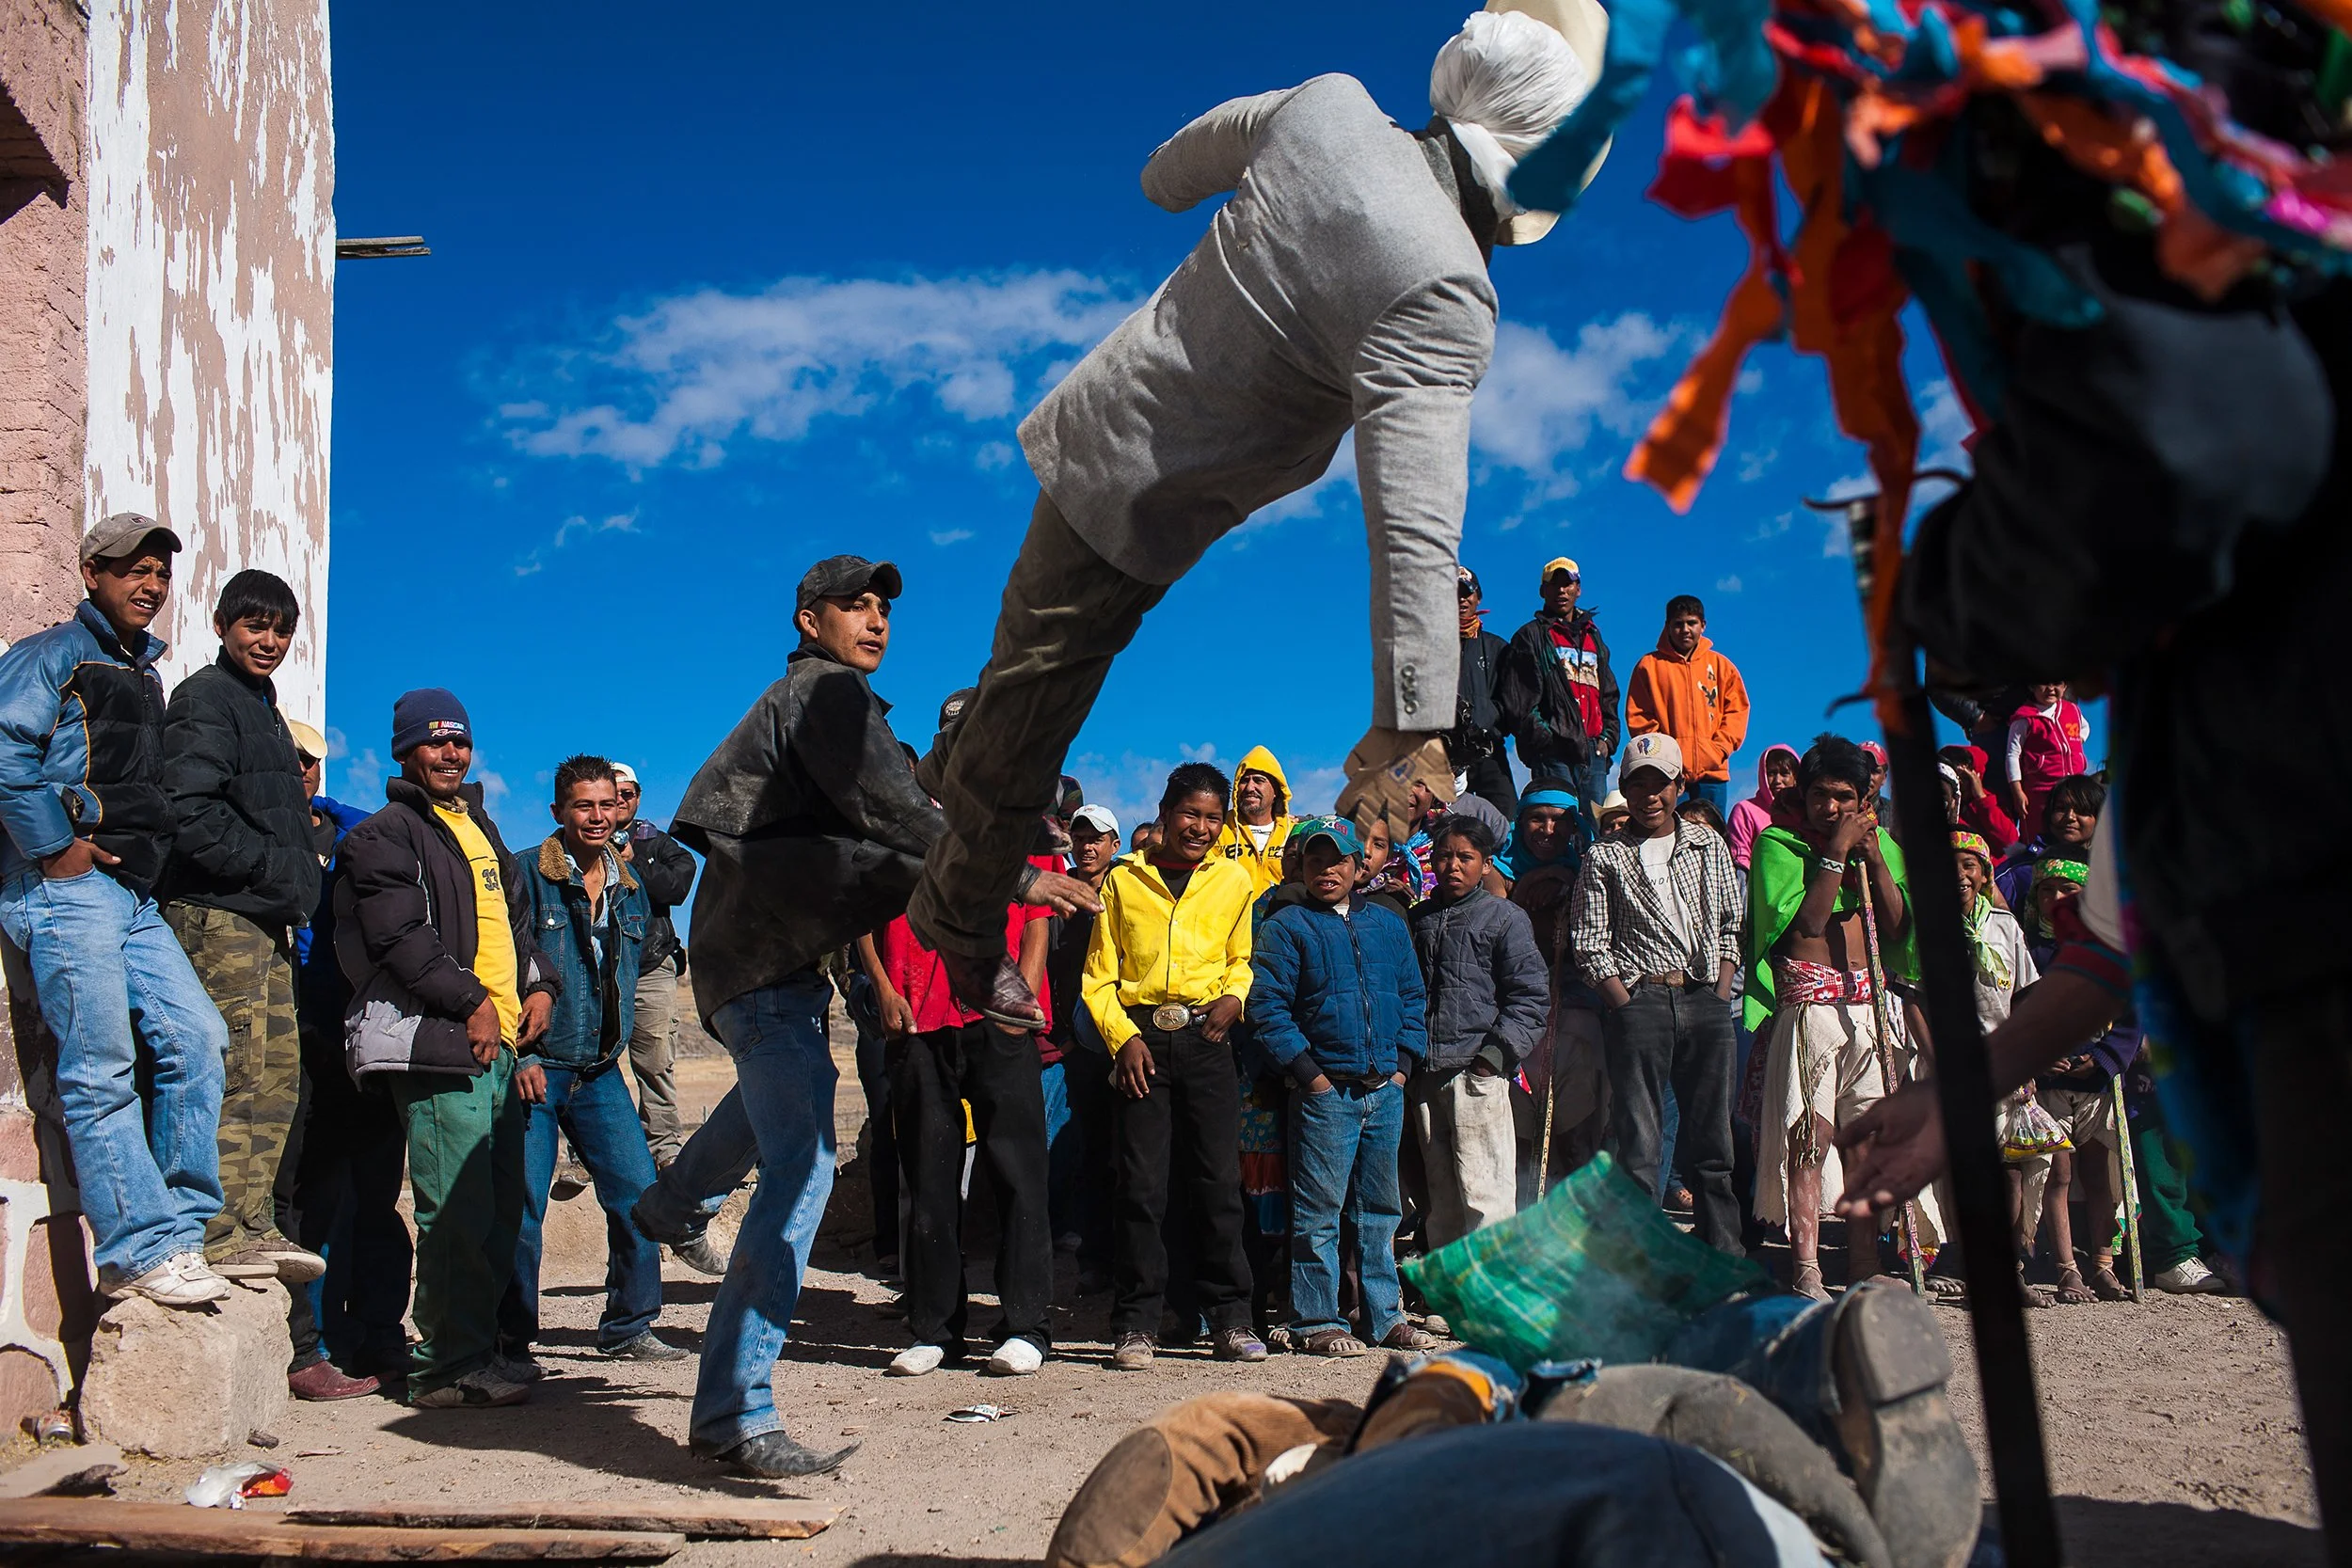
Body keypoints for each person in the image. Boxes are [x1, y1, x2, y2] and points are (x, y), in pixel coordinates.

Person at [903, 7, 1606, 1027]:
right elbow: (1414, 529)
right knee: (1042, 694)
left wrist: (1175, 191)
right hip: (1142, 503)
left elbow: (1178, 164)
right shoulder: (1445, 288)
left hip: (1100, 421)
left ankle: (951, 762)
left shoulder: (1331, 107)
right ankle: (959, 919)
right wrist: (1407, 720)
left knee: (1028, 658)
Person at [0, 515, 229, 1307]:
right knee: (100, 1065)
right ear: (91, 572)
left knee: (199, 1038)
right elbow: (4, 749)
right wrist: (52, 846)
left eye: (160, 572)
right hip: (64, 885)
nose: (151, 584)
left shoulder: (143, 674)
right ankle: (138, 1248)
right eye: (134, 569)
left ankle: (183, 1233)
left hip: (128, 892)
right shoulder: (52, 654)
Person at [334, 689, 556, 1406]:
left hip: (497, 1045)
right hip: (439, 1043)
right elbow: (400, 937)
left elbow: (515, 929)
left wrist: (540, 986)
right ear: (405, 751)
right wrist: (471, 1002)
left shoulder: (481, 829)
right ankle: (441, 1368)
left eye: (458, 740)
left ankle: (477, 1351)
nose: (450, 752)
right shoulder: (385, 835)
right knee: (454, 1213)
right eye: (433, 741)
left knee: (497, 1211)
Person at [152, 567, 327, 1288]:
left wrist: (284, 886)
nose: (269, 641)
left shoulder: (262, 706)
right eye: (256, 625)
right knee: (234, 1072)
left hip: (262, 919)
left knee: (275, 1077)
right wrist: (273, 871)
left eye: (282, 630)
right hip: (219, 915)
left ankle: (251, 1223)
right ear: (222, 624)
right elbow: (188, 810)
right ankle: (215, 1228)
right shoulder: (206, 698)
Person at [499, 756, 680, 1373]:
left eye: (607, 804)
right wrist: (519, 1051)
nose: (598, 816)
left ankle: (629, 1324)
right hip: (537, 1066)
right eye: (584, 805)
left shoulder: (630, 886)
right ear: (558, 812)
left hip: (600, 1071)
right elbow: (499, 962)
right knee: (524, 1206)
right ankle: (509, 1341)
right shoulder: (526, 873)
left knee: (637, 1194)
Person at [1084, 763, 1263, 1371]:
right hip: (1140, 1044)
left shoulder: (1233, 880)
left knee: (1218, 1182)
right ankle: (1137, 1322)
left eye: (1213, 817)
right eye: (1191, 813)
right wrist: (1123, 1040)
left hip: (1207, 1038)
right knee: (1141, 1186)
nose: (1201, 828)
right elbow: (1098, 978)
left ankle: (1232, 1318)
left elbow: (1241, 959)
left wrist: (1235, 998)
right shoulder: (1122, 880)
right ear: (1165, 812)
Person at [1747, 735, 1926, 1300]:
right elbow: (1806, 925)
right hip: (1810, 1007)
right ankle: (1806, 1267)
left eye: (1844, 797)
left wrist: (1874, 857)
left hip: (1868, 1006)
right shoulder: (1778, 843)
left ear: (1864, 798)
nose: (1831, 808)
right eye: (1820, 795)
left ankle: (1864, 1262)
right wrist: (1837, 853)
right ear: (1803, 795)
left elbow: (1896, 928)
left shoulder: (1882, 846)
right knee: (1810, 1135)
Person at [1248, 817, 1433, 1356]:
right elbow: (1267, 1007)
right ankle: (1316, 1321)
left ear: (1357, 866)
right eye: (1315, 860)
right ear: (1301, 867)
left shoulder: (1388, 925)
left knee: (1381, 1211)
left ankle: (1384, 1317)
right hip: (1325, 1093)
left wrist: (1402, 1067)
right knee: (1318, 1212)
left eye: (1337, 860)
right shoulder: (1287, 925)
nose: (1326, 870)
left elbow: (1413, 997)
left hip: (1384, 1088)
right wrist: (1312, 1077)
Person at [864, 872, 1057, 1379]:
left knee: (1018, 1173)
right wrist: (882, 987)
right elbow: (858, 910)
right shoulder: (885, 825)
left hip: (999, 1013)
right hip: (914, 1014)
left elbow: (1037, 915)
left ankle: (1027, 1327)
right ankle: (935, 1331)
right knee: (926, 1177)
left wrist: (1022, 997)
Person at [1568, 734, 1746, 1255]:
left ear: (1679, 785)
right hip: (1641, 1000)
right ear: (1625, 788)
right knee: (1639, 1143)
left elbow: (1731, 924)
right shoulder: (1605, 856)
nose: (1651, 796)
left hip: (1705, 998)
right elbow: (1589, 942)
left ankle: (1723, 1256)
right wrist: (1625, 1004)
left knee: (1713, 1141)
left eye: (1661, 783)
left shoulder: (1707, 844)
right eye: (1639, 784)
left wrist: (1720, 992)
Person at [278, 718, 402, 1400]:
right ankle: (316, 1342)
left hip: (362, 1036)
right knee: (313, 1200)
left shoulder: (356, 833)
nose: (302, 769)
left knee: (376, 1197)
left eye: (311, 761)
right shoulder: (265, 836)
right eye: (291, 757)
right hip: (296, 1041)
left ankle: (379, 1332)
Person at [1409, 815, 1548, 1247]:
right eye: (1444, 856)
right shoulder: (1419, 919)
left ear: (1486, 864)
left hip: (1478, 1072)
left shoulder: (1505, 918)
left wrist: (1492, 1060)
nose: (1452, 866)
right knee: (1442, 1196)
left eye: (1465, 857)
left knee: (1484, 1190)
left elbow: (1530, 998)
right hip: (1426, 1073)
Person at [1507, 780, 1606, 1193]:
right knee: (1520, 1133)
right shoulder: (1496, 874)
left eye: (1559, 820)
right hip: (1516, 1021)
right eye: (1537, 818)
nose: (1548, 830)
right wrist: (1541, 879)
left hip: (1576, 1023)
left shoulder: (1591, 871)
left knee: (1577, 1126)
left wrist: (1564, 875)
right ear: (1519, 821)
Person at [610, 763, 699, 1177]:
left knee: (656, 1059)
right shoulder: (582, 839)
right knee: (591, 1063)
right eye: (613, 793)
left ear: (638, 797)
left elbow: (677, 887)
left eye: (627, 794)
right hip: (599, 969)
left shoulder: (657, 843)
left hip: (650, 963)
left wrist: (633, 865)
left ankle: (664, 1148)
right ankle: (589, 1153)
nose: (619, 801)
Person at [1049, 803, 1123, 1287]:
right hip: (1080, 1048)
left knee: (1133, 1152)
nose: (1087, 846)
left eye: (1097, 838)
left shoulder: (1131, 889)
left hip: (1128, 1042)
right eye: (1080, 837)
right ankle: (1095, 1261)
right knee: (1090, 1152)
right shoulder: (1056, 896)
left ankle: (1132, 1260)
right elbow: (1047, 969)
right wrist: (1064, 1038)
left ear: (1115, 844)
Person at [1500, 557, 1619, 828]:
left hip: (1594, 753)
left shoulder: (1594, 637)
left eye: (1568, 584)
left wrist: (1608, 738)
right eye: (1554, 585)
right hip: (1553, 753)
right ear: (1543, 591)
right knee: (1556, 827)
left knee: (1594, 829)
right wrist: (1547, 739)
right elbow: (1518, 701)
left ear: (1579, 589)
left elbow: (1609, 693)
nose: (1561, 591)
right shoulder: (1530, 636)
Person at [1624, 595, 1750, 818]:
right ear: (1667, 626)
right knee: (1669, 829)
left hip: (1713, 773)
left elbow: (1736, 711)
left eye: (1691, 623)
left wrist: (1719, 749)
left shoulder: (1722, 666)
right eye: (1678, 624)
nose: (1685, 630)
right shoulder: (1649, 666)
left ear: (1703, 625)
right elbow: (1639, 715)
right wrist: (1663, 754)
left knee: (1712, 831)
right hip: (1668, 773)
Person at [1449, 565, 1519, 820]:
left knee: (1507, 814)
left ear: (1478, 597)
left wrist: (1487, 720)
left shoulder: (1498, 647)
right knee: (1443, 820)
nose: (1461, 600)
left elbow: (1511, 700)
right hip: (1444, 753)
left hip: (1489, 748)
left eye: (1467, 593)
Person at [1994, 771, 2102, 913]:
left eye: (2082, 810)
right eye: (2061, 809)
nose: (2070, 817)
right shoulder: (2017, 872)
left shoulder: (2114, 871)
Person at [2003, 681, 2090, 840]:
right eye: (2043, 683)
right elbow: (2012, 754)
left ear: (2065, 687)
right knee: (2039, 829)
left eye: (2057, 683)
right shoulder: (2024, 718)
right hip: (2041, 789)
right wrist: (2017, 791)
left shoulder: (2072, 710)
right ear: (2032, 686)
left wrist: (2075, 745)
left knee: (2072, 829)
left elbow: (2084, 727)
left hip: (2073, 785)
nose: (2050, 689)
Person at [1212, 747, 1296, 898]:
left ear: (1276, 790)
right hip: (1231, 913)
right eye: (1244, 781)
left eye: (1259, 780)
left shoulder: (1294, 833)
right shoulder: (1218, 828)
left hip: (1282, 912)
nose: (1250, 787)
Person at [1723, 743, 1797, 872]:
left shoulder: (1804, 815)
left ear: (1796, 778)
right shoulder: (1745, 810)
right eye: (1771, 773)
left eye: (1784, 773)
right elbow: (1739, 858)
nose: (1777, 780)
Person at [1938, 745, 2019, 855]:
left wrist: (1981, 798)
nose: (1959, 782)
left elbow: (2010, 841)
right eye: (1955, 776)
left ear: (1976, 776)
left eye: (1964, 777)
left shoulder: (1992, 802)